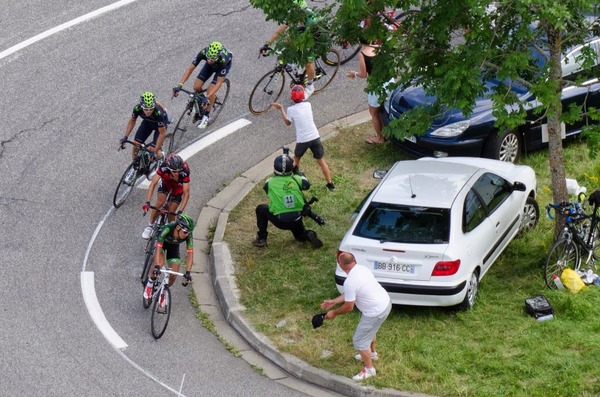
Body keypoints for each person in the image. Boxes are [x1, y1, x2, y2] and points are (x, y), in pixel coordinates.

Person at [320, 252, 392, 381]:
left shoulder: (350, 281)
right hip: (385, 303)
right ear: (354, 260)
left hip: (375, 312)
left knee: (359, 341)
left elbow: (349, 307)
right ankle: (373, 354)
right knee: (369, 331)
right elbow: (351, 293)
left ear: (341, 264)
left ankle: (369, 370)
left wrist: (334, 313)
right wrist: (334, 301)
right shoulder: (362, 269)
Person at [253, 152, 323, 249]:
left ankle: (262, 239)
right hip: (296, 218)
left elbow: (266, 189)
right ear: (291, 169)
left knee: (261, 209)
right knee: (299, 236)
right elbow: (306, 185)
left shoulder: (270, 182)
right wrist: (297, 170)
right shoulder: (297, 179)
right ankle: (309, 234)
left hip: (280, 220)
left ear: (274, 169)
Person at [272, 85, 335, 190]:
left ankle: (291, 176)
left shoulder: (291, 109)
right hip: (315, 137)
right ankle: (330, 184)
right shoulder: (308, 105)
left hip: (303, 140)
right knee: (321, 161)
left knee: (296, 159)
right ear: (303, 97)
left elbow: (288, 123)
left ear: (292, 97)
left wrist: (281, 109)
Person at [259, 0, 317, 98]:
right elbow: (280, 31)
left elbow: (304, 38)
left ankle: (310, 86)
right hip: (302, 34)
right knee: (286, 41)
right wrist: (267, 44)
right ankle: (298, 68)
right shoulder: (295, 16)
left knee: (308, 62)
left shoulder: (309, 20)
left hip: (314, 36)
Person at [172, 41, 233, 129]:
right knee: (196, 87)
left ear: (217, 56)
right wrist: (180, 85)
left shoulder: (223, 60)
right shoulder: (204, 52)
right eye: (208, 58)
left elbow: (219, 83)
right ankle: (202, 104)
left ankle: (206, 116)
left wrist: (208, 97)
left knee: (210, 91)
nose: (209, 61)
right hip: (211, 67)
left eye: (212, 59)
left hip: (221, 67)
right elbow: (190, 69)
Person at [143, 213, 195, 301]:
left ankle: (164, 291)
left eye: (189, 232)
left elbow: (190, 254)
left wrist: (188, 272)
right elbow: (159, 247)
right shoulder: (167, 229)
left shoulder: (188, 235)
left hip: (173, 247)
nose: (187, 234)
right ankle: (150, 284)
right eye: (186, 232)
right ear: (178, 227)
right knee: (160, 263)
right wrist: (157, 267)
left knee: (174, 274)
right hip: (162, 244)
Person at [141, 153, 191, 239]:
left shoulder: (185, 170)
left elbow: (186, 194)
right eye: (174, 171)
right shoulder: (164, 166)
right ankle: (150, 226)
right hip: (166, 183)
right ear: (169, 168)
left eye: (179, 171)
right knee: (160, 202)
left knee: (172, 211)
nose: (177, 173)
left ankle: (169, 230)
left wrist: (180, 212)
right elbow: (153, 184)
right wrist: (147, 202)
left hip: (178, 186)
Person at [347, 43, 387, 144]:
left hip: (376, 85)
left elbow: (364, 74)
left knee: (373, 112)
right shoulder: (380, 47)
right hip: (388, 81)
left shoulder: (362, 54)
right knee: (384, 108)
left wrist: (354, 74)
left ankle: (379, 138)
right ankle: (385, 132)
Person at [118, 91, 168, 164]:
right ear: (141, 106)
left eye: (151, 109)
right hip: (148, 123)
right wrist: (125, 137)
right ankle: (134, 163)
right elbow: (132, 121)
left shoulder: (158, 113)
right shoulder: (137, 108)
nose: (148, 111)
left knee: (152, 149)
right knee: (136, 144)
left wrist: (155, 151)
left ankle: (162, 157)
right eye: (146, 109)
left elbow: (162, 133)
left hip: (159, 127)